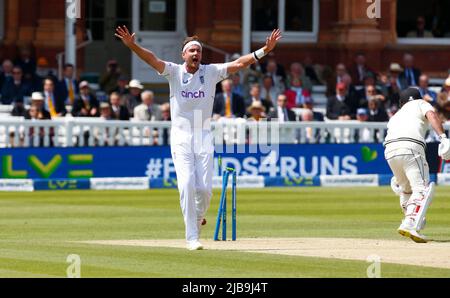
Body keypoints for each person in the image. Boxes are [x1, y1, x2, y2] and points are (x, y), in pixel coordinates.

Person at [115, 25, 282, 250]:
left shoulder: (211, 72)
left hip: (203, 135)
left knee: (204, 190)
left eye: (198, 51)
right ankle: (191, 237)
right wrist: (132, 45)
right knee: (186, 184)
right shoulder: (174, 71)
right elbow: (152, 59)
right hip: (181, 136)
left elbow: (240, 64)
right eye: (191, 51)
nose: (196, 54)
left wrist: (264, 50)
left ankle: (197, 217)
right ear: (183, 54)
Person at [384, 87, 450, 243]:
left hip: (390, 151)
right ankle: (410, 223)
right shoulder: (421, 103)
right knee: (423, 189)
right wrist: (443, 137)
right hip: (411, 147)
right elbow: (432, 115)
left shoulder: (396, 115)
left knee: (406, 191)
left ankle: (410, 219)